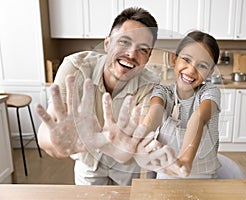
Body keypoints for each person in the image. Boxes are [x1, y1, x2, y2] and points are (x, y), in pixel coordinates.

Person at [36, 7, 175, 186]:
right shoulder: (75, 68)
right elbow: (50, 127)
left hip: (125, 164)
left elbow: (137, 138)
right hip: (87, 159)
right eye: (124, 42)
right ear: (107, 43)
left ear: (147, 58)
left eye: (143, 50)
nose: (132, 54)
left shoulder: (151, 85)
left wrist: (123, 145)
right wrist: (57, 145)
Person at [139, 30, 221, 178]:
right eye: (186, 60)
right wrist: (138, 138)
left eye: (202, 65)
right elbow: (154, 114)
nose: (191, 70)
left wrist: (185, 160)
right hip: (165, 171)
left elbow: (198, 118)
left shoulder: (210, 92)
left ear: (210, 72)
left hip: (203, 175)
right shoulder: (162, 91)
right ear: (174, 59)